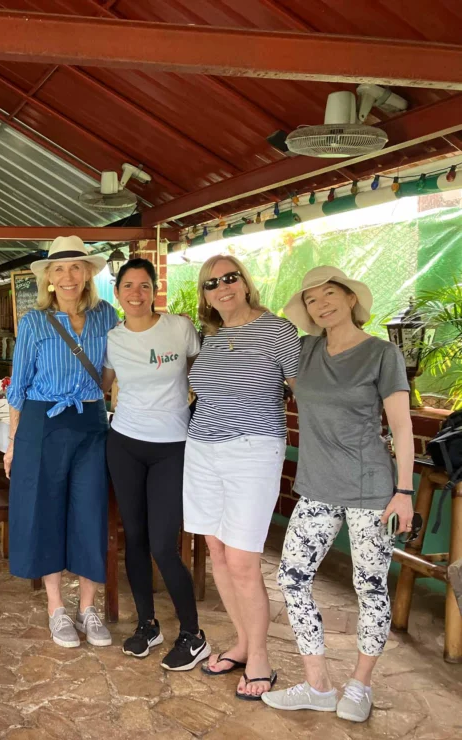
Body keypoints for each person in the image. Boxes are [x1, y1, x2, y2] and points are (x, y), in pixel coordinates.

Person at [262, 266, 413, 723]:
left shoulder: (381, 354)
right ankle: (318, 684)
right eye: (311, 299)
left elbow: (403, 428)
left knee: (369, 588)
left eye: (329, 294)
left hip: (370, 489)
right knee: (291, 578)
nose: (320, 304)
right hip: (316, 487)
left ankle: (360, 686)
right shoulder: (304, 351)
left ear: (350, 298)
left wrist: (403, 491)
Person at [185, 254, 300, 700]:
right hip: (203, 451)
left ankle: (261, 660)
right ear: (206, 296)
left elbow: (302, 392)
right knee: (216, 551)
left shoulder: (277, 330)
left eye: (230, 278)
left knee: (244, 561)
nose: (223, 287)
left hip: (253, 451)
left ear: (246, 283)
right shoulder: (211, 336)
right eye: (212, 283)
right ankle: (242, 642)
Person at [5, 235, 117, 649]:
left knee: (90, 510)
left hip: (89, 420)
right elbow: (17, 388)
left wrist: (96, 396)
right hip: (41, 421)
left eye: (76, 267)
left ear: (87, 273)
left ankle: (88, 607)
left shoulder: (107, 316)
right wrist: (14, 442)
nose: (68, 276)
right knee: (45, 510)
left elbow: (109, 371)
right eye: (59, 269)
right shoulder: (34, 322)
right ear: (49, 279)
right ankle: (56, 608)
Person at [100, 259, 209, 670]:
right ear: (119, 293)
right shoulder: (112, 338)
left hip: (172, 446)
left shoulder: (179, 329)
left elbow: (203, 375)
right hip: (124, 443)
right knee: (138, 539)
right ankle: (148, 624)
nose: (136, 294)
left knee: (164, 545)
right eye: (128, 286)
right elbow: (103, 385)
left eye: (144, 286)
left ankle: (193, 633)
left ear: (154, 289)